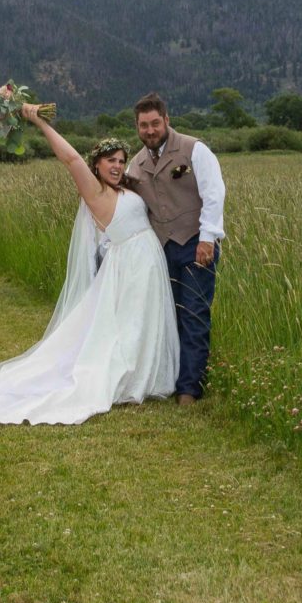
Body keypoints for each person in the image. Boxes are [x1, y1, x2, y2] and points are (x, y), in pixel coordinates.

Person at [0, 106, 179, 426]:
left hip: (148, 262)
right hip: (129, 265)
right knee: (127, 326)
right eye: (111, 160)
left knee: (141, 321)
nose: (118, 166)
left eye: (122, 160)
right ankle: (127, 381)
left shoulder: (124, 188)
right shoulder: (95, 191)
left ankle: (147, 377)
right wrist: (38, 120)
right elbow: (70, 159)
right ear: (97, 164)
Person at [127, 92, 225, 405]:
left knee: (194, 315)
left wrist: (208, 237)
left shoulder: (195, 149)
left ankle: (189, 390)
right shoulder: (136, 164)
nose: (150, 130)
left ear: (167, 121)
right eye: (144, 125)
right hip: (161, 250)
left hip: (196, 243)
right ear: (138, 127)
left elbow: (213, 193)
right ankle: (169, 381)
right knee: (167, 317)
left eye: (155, 123)